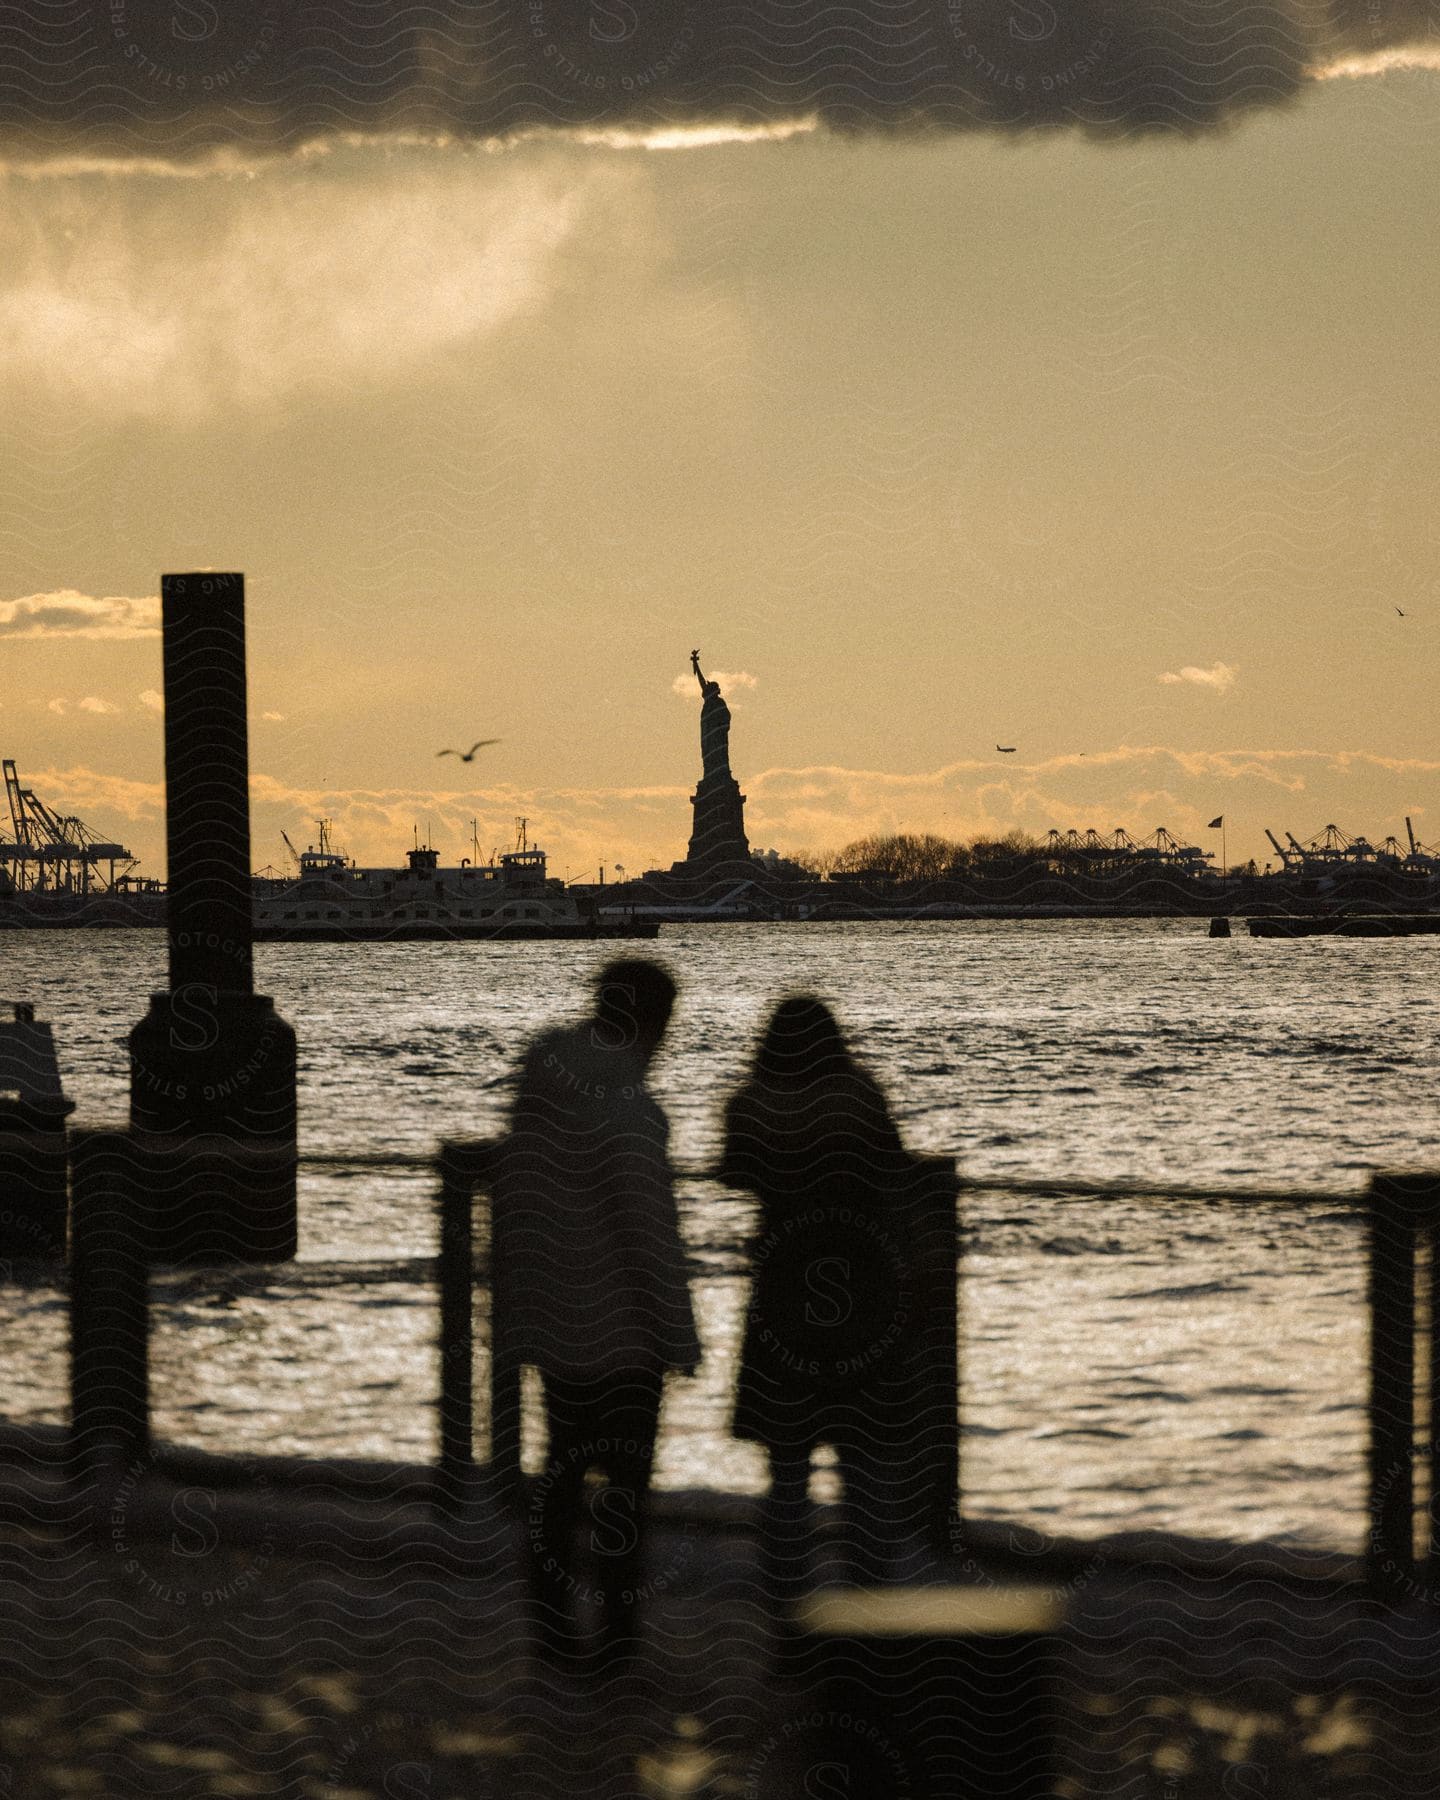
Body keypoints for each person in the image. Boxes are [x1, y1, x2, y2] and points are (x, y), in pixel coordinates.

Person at [494, 958, 700, 1669]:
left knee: (558, 1477)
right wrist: (678, 1330)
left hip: (554, 1322)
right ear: (652, 1021)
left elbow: (514, 1205)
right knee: (623, 1493)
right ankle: (618, 1638)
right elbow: (649, 1229)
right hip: (622, 1333)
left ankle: (550, 1630)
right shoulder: (628, 1105)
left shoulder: (541, 1085)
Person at [719, 996, 956, 1596]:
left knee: (786, 1473)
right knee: (864, 1463)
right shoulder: (858, 1097)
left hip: (783, 1296)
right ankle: (863, 1611)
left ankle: (788, 1619)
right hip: (862, 1291)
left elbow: (734, 1172)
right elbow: (894, 1172)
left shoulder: (751, 1104)